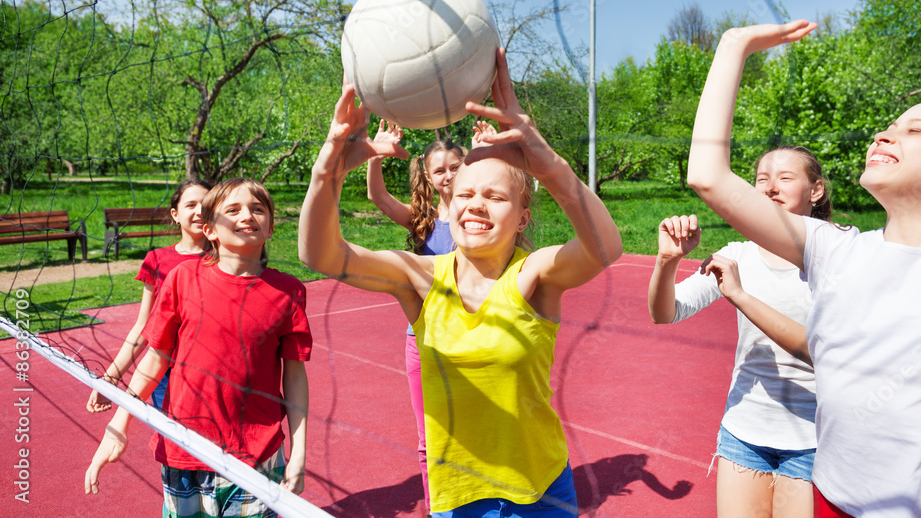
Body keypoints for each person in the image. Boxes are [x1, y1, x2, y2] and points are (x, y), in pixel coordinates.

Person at [686, 20, 921, 517]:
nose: (884, 133)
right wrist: (733, 45)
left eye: (914, 130)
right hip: (835, 502)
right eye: (890, 126)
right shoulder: (834, 249)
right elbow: (707, 176)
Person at [299, 48, 623, 517]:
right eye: (466, 194)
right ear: (449, 206)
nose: (475, 204)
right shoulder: (420, 276)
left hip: (541, 489)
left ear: (522, 217)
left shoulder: (532, 275)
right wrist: (329, 164)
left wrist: (544, 159)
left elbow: (604, 248)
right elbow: (319, 255)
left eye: (495, 196)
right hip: (459, 494)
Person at [84, 178, 312, 517]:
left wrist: (299, 453)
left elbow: (294, 380)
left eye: (258, 209)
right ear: (210, 230)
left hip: (257, 453)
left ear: (270, 227)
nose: (247, 215)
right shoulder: (182, 279)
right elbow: (155, 359)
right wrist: (117, 426)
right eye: (233, 209)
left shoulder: (288, 291)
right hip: (183, 446)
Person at [648, 145, 832, 517]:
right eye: (762, 179)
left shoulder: (839, 257)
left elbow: (826, 352)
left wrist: (740, 295)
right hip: (743, 435)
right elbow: (665, 312)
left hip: (814, 440)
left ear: (816, 190)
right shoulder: (741, 255)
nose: (770, 188)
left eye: (784, 178)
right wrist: (668, 261)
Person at [367, 121, 464, 511]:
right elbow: (377, 196)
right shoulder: (422, 219)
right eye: (439, 170)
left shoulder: (484, 212)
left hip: (475, 338)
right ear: (427, 174)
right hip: (423, 342)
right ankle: (439, 506)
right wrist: (375, 154)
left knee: (474, 433)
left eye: (455, 166)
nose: (448, 176)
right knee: (430, 439)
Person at [87, 179, 212, 413]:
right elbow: (144, 325)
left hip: (214, 374)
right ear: (175, 214)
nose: (199, 211)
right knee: (173, 444)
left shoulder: (226, 260)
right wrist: (110, 378)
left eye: (206, 205)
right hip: (165, 373)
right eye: (191, 204)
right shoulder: (157, 260)